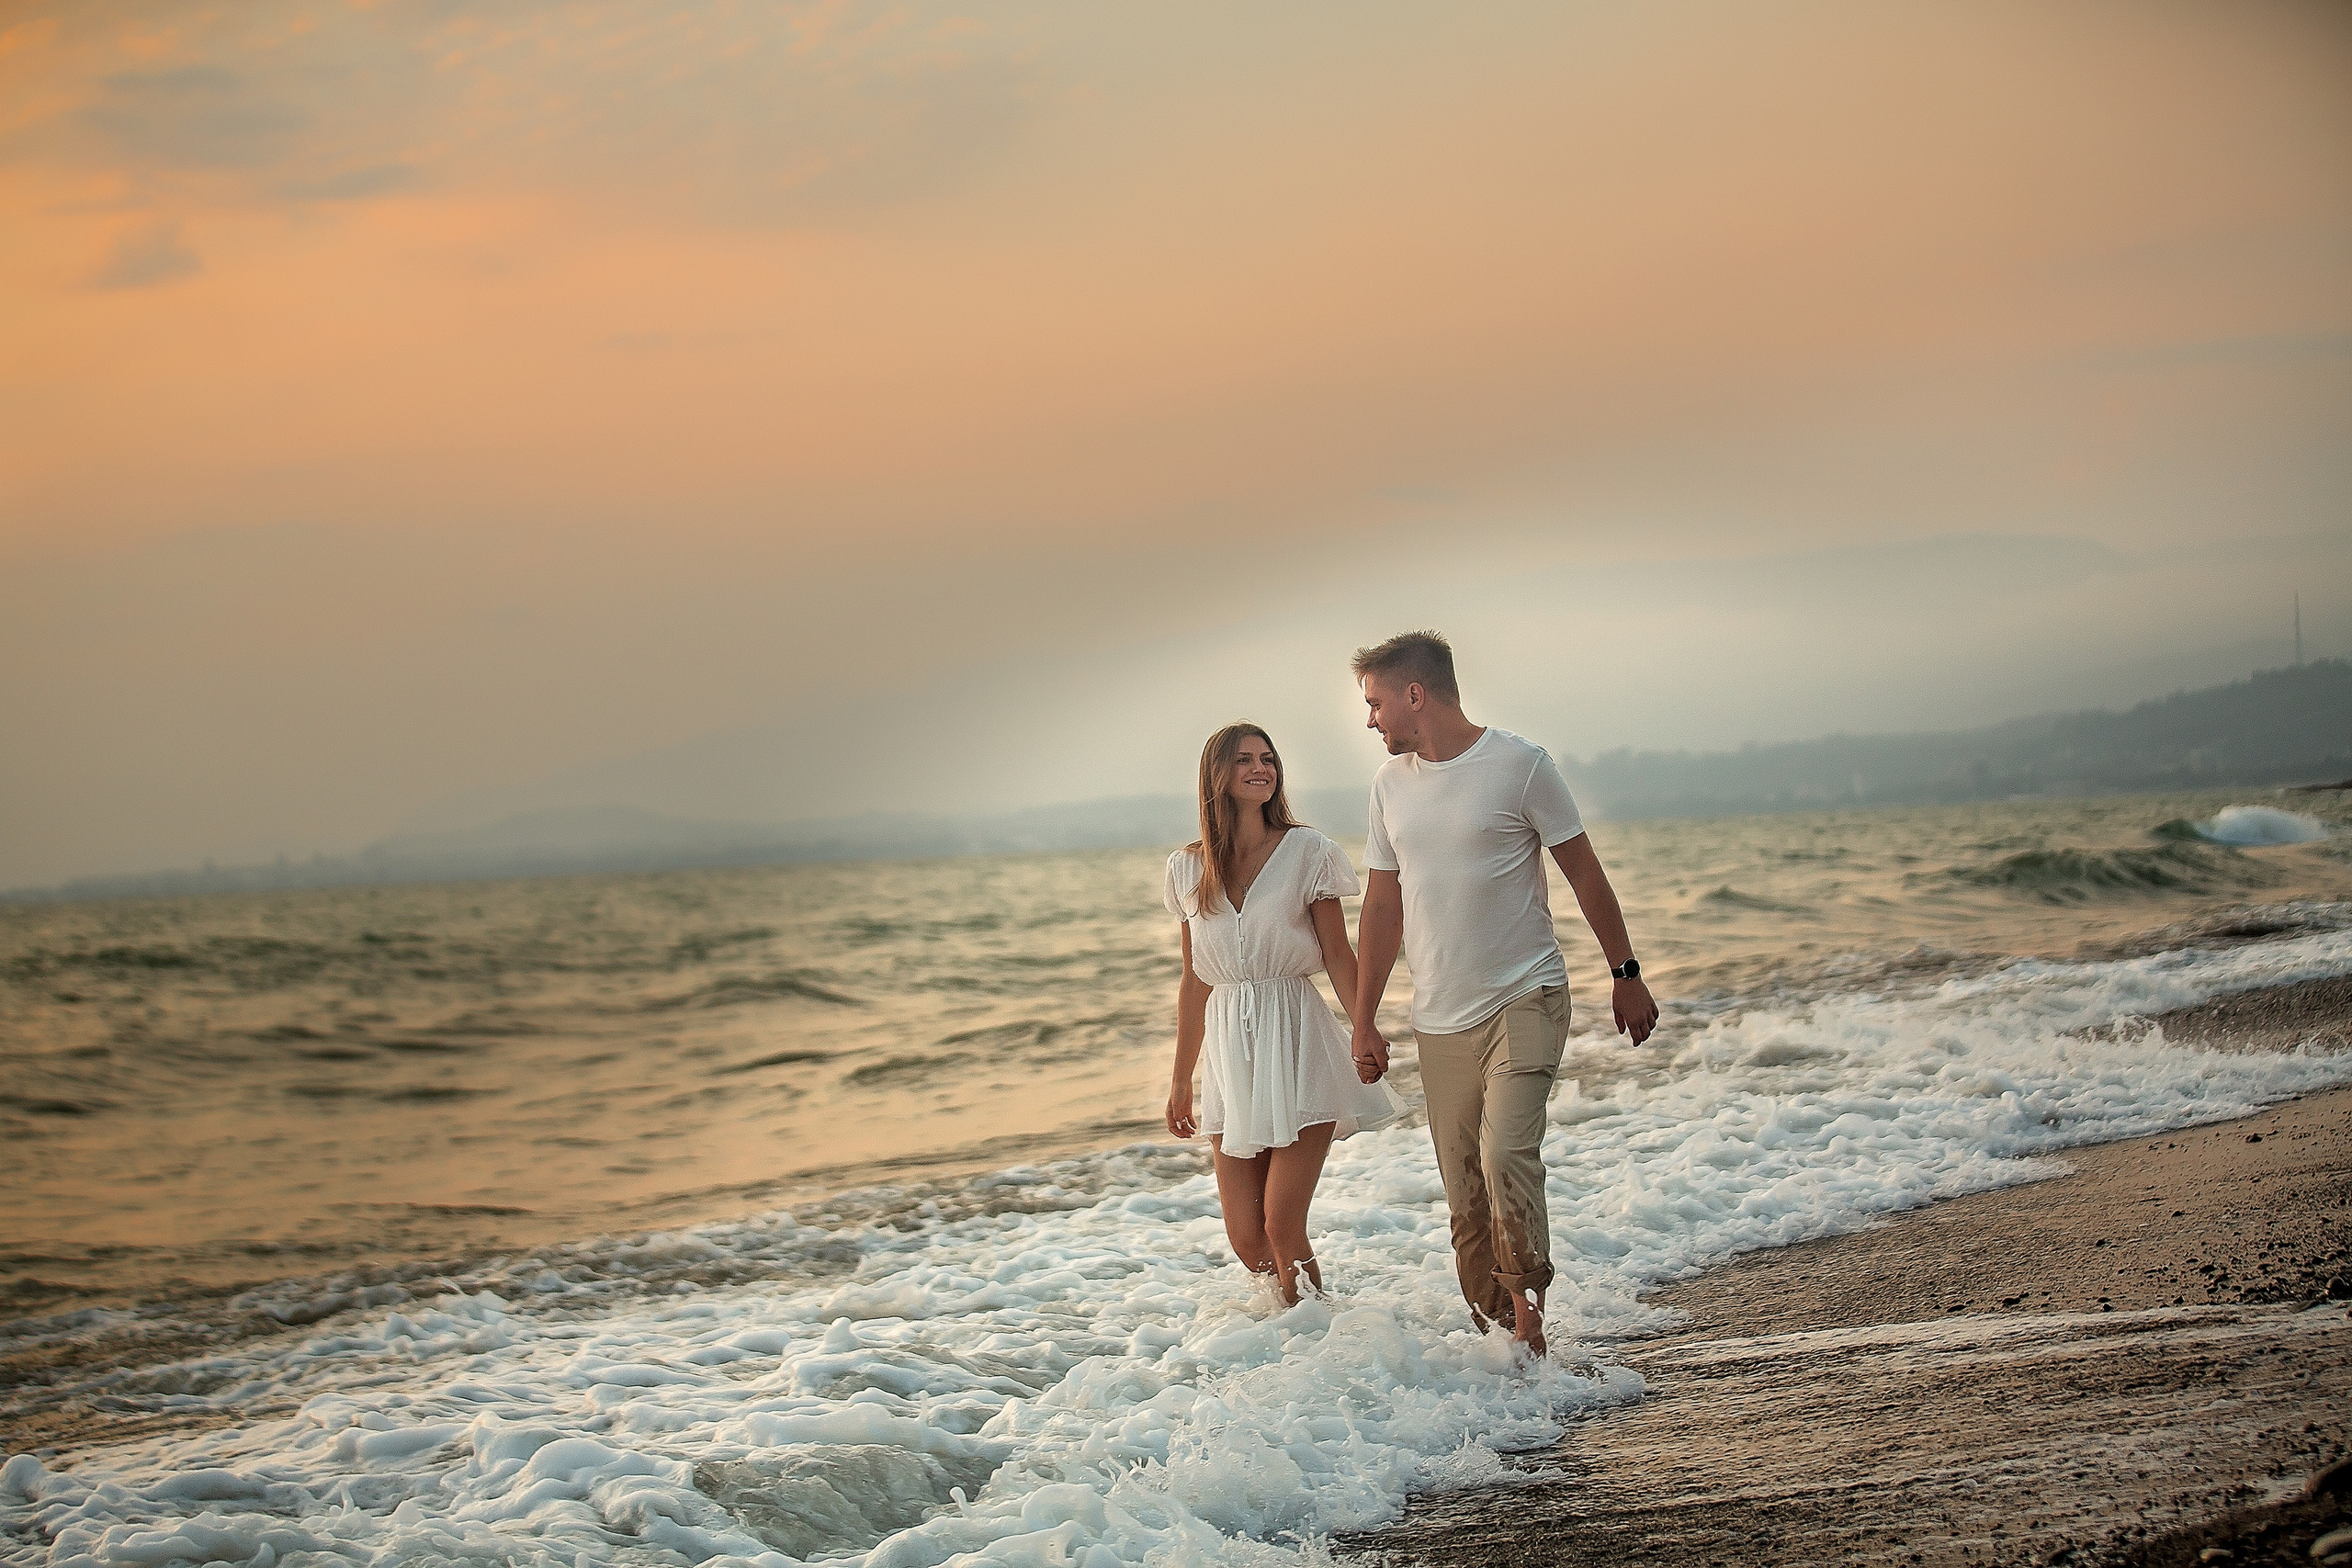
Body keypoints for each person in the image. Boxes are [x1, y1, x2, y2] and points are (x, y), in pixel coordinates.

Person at [1346, 631, 1658, 1359]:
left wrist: (1626, 972)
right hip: (1440, 1022)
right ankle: (1500, 1344)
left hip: (1527, 994)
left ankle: (1529, 1319)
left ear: (1414, 695)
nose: (1370, 720)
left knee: (1505, 1154)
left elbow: (1583, 871)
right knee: (1465, 1198)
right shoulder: (1389, 789)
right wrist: (1362, 1019)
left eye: (1375, 702)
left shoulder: (1520, 766)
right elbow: (1382, 910)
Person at [1164, 722, 1407, 1304]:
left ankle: (1322, 1346)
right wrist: (1180, 1082)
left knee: (1282, 1226)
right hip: (1231, 1055)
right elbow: (1194, 981)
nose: (1262, 769)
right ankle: (1300, 1345)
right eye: (1246, 759)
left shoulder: (1309, 853)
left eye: (1269, 759)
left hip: (1297, 1040)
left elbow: (1337, 954)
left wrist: (1364, 1026)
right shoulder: (1187, 869)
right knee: (1248, 1243)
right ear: (1215, 775)